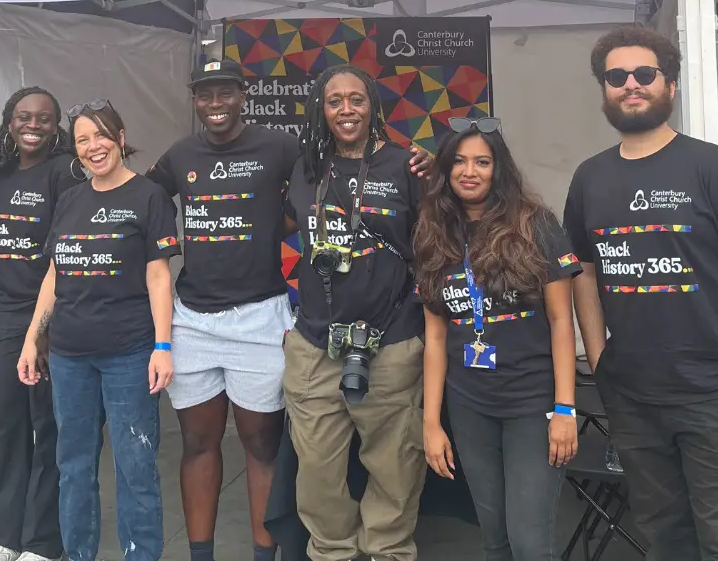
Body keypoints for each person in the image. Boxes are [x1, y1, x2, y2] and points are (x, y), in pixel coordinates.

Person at [564, 26, 718, 561]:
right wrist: (600, 358)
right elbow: (584, 273)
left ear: (671, 85)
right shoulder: (589, 179)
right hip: (636, 402)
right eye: (616, 77)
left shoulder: (714, 167)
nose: (631, 85)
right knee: (665, 541)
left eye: (645, 74)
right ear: (604, 90)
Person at [147, 59, 299, 561]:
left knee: (261, 443)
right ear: (195, 100)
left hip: (260, 315)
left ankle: (264, 555)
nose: (215, 104)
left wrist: (276, 228)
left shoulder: (278, 146)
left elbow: (322, 184)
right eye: (205, 95)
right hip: (192, 319)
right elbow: (144, 198)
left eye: (225, 93)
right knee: (197, 441)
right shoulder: (181, 154)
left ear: (242, 95)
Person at [18, 100, 180, 561]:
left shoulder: (149, 197)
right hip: (69, 356)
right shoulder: (70, 199)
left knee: (136, 467)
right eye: (83, 139)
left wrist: (162, 347)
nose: (94, 147)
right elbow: (54, 276)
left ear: (121, 138)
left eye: (102, 136)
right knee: (73, 467)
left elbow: (158, 277)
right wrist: (33, 339)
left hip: (129, 353)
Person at [415, 117, 580, 561]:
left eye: (483, 162)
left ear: (499, 168)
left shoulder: (535, 225)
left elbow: (562, 321)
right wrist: (432, 424)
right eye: (460, 162)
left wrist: (565, 407)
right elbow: (435, 336)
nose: (471, 171)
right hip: (470, 406)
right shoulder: (433, 234)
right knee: (494, 539)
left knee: (529, 543)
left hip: (532, 403)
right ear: (446, 170)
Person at [282, 64, 427, 561]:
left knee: (394, 463)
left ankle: (388, 550)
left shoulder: (407, 166)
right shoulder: (302, 168)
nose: (347, 109)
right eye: (334, 100)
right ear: (320, 111)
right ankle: (331, 550)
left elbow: (434, 244)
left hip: (390, 340)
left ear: (374, 107)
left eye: (357, 99)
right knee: (317, 466)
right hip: (315, 343)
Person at [0, 87, 82, 561]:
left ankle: (44, 542)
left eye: (45, 118)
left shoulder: (64, 172)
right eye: (24, 117)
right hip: (5, 316)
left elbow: (67, 254)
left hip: (51, 317)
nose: (34, 126)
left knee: (49, 430)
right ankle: (5, 536)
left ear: (56, 125)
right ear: (9, 121)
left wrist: (41, 332)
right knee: (5, 426)